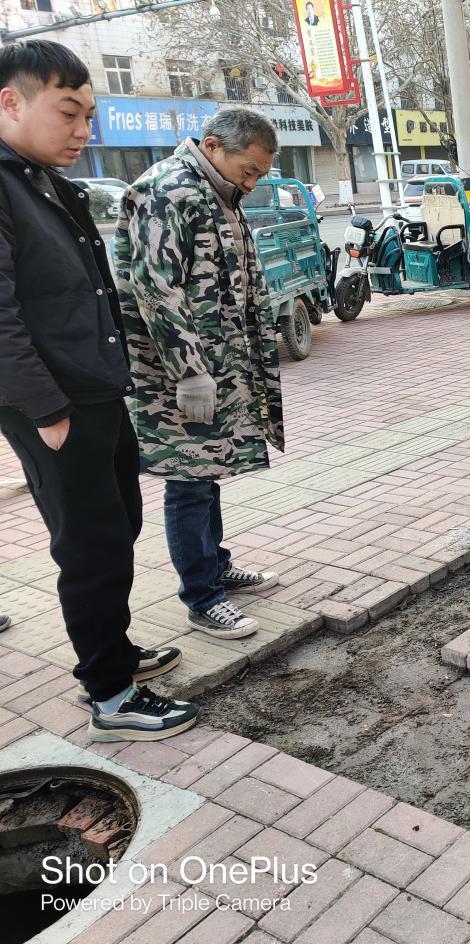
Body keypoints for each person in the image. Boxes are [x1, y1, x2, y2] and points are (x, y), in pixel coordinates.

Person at [0, 40, 195, 742]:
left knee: (119, 527)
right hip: (54, 402)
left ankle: (114, 652)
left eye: (90, 115)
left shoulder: (49, 182)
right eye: (69, 113)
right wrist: (45, 410)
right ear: (9, 102)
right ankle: (110, 695)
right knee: (88, 545)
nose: (85, 131)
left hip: (95, 390)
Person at [114, 107, 284, 640]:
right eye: (249, 170)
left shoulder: (216, 192)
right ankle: (201, 596)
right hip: (176, 372)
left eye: (260, 174)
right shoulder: (166, 191)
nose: (252, 183)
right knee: (188, 479)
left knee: (209, 470)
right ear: (213, 145)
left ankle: (216, 565)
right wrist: (189, 372)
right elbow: (154, 290)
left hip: (218, 362)